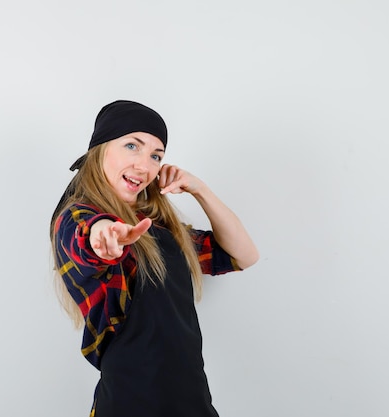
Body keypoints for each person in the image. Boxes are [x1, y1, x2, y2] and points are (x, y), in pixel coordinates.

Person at [50, 100, 259, 417]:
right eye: (132, 145)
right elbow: (89, 234)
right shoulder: (76, 218)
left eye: (156, 156)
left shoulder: (159, 227)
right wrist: (104, 239)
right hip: (130, 402)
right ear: (101, 149)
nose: (144, 165)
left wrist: (200, 189)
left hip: (191, 400)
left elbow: (244, 255)